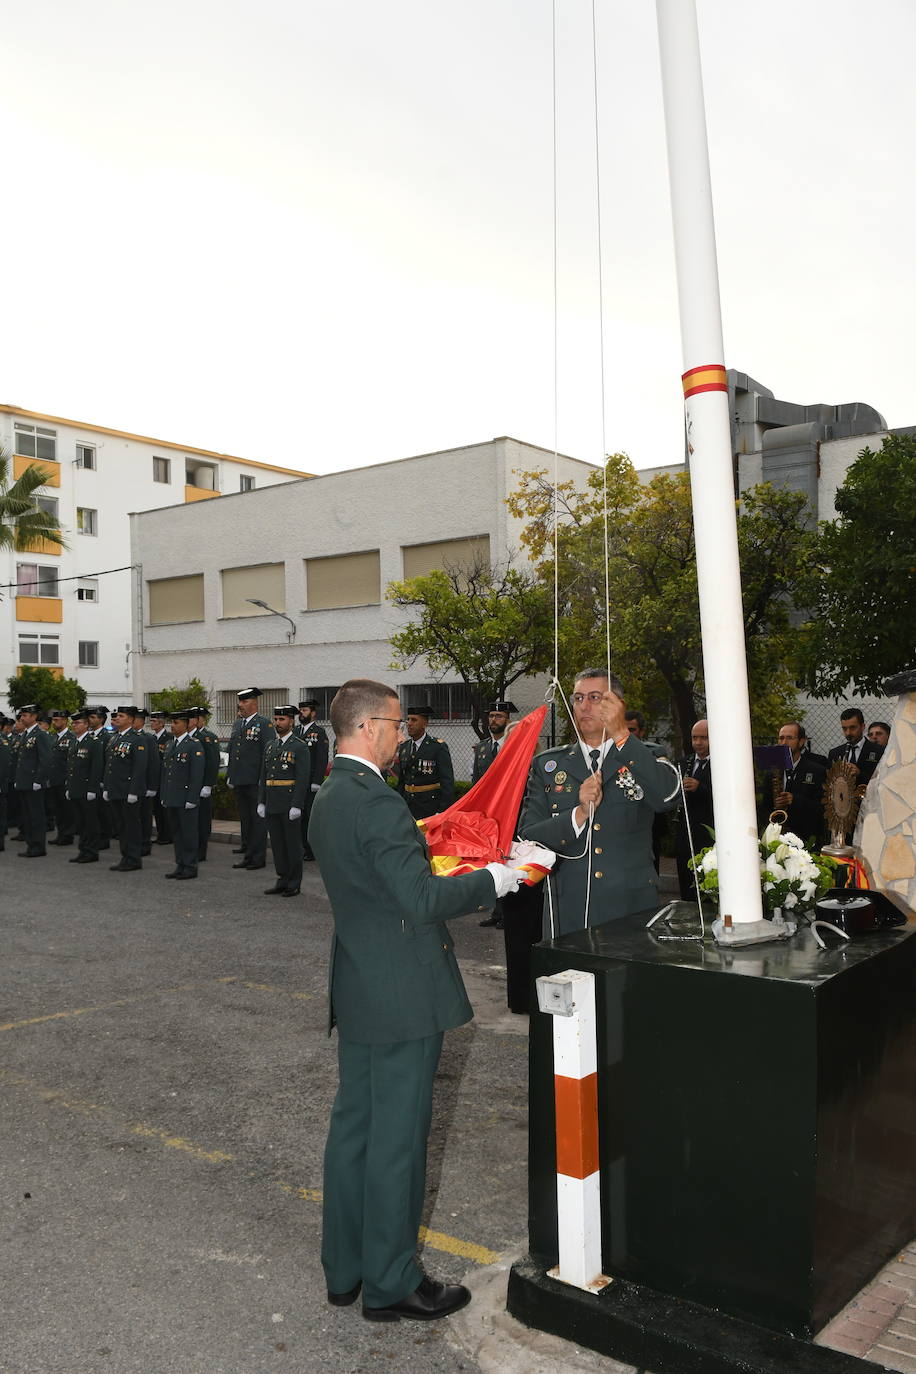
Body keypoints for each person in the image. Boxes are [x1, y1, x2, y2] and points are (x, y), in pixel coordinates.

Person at [308, 679, 522, 1322]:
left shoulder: (331, 794)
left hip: (364, 984)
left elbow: (384, 881)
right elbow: (420, 900)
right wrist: (498, 878)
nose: (403, 735)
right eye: (397, 725)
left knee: (356, 1133)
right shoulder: (374, 800)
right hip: (402, 990)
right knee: (397, 1141)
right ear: (368, 725)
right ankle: (393, 1283)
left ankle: (345, 1269)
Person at [519, 669, 677, 936]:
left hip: (630, 906)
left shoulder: (643, 755)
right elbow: (528, 836)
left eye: (595, 697)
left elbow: (666, 798)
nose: (584, 706)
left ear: (616, 705)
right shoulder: (549, 765)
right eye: (578, 698)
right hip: (569, 908)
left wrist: (622, 736)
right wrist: (578, 815)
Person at [472, 700, 518, 928]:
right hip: (487, 817)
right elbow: (475, 784)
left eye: (499, 716)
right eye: (491, 716)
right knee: (491, 862)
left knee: (508, 861)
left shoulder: (515, 747)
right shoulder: (481, 749)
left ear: (507, 720)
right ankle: (496, 911)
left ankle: (509, 912)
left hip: (509, 814)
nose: (494, 720)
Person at [258, 705, 310, 897]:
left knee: (292, 844)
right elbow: (264, 775)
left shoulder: (299, 746)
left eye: (282, 720)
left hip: (289, 804)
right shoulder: (271, 745)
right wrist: (261, 801)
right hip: (272, 802)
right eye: (276, 720)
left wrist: (297, 804)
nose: (278, 723)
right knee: (278, 844)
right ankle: (282, 878)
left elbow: (302, 778)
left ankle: (294, 882)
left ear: (291, 721)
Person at [228, 687, 273, 871]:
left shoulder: (264, 724)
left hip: (255, 781)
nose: (241, 705)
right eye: (240, 701)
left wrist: (264, 779)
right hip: (240, 779)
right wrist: (231, 774)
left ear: (254, 703)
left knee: (257, 820)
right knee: (246, 819)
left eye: (245, 701)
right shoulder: (238, 724)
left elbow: (267, 753)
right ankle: (248, 854)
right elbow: (233, 751)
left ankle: (258, 857)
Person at [160, 709, 205, 880]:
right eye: (172, 722)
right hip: (172, 797)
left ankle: (190, 866)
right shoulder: (171, 744)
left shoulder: (194, 745)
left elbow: (196, 774)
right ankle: (180, 864)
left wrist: (192, 798)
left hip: (186, 798)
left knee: (188, 834)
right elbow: (166, 773)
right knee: (177, 834)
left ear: (186, 725)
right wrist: (164, 795)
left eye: (176, 722)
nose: (173, 725)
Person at [102, 706, 149, 872]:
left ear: (130, 719)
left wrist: (134, 791)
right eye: (117, 716)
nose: (117, 718)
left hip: (129, 790)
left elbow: (139, 767)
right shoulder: (114, 739)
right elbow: (109, 766)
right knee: (121, 826)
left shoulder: (137, 739)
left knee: (131, 826)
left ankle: (134, 858)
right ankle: (125, 856)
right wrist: (106, 786)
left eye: (121, 716)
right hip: (115, 789)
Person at [395, 705, 455, 821]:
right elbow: (401, 781)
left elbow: (447, 782)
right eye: (408, 719)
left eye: (414, 720)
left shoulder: (437, 747)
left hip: (429, 807)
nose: (409, 723)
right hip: (408, 806)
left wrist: (442, 811)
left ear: (424, 723)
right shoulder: (404, 747)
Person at [676, 720, 714, 899]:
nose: (698, 743)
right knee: (686, 883)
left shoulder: (723, 765)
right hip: (686, 832)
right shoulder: (685, 762)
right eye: (694, 738)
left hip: (708, 833)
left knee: (706, 885)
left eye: (703, 738)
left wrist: (700, 788)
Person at [772, 722, 826, 844]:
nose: (784, 742)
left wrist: (794, 800)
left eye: (789, 738)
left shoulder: (817, 771)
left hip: (806, 839)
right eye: (781, 738)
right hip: (777, 838)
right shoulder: (772, 771)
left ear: (801, 742)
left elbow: (822, 809)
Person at [13, 703, 53, 858]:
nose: (22, 718)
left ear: (34, 716)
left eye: (25, 715)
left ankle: (38, 846)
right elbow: (22, 760)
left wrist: (39, 779)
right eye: (21, 715)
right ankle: (31, 845)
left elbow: (46, 759)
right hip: (25, 782)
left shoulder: (40, 734)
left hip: (34, 783)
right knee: (28, 816)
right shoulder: (25, 734)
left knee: (36, 816)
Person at [66, 711, 104, 863]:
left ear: (87, 725)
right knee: (80, 823)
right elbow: (71, 768)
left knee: (90, 823)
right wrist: (69, 787)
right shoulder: (74, 741)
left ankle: (91, 851)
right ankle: (83, 850)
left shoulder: (93, 742)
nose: (75, 726)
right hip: (76, 789)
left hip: (87, 789)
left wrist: (92, 789)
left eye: (78, 723)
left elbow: (97, 767)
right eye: (73, 723)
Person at [294, 699, 329, 861]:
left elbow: (322, 758)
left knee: (309, 816)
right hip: (295, 782)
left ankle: (311, 849)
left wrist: (317, 780)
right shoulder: (295, 731)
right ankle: (300, 846)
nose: (301, 713)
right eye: (300, 710)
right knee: (298, 816)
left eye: (305, 710)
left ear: (313, 713)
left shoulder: (319, 732)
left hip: (310, 782)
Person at [188, 705, 220, 861]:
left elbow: (212, 762)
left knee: (202, 819)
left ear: (199, 720)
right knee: (191, 820)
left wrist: (208, 784)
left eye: (191, 718)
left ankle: (201, 850)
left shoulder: (207, 737)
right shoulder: (187, 737)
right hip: (189, 785)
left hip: (202, 785)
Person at [827, 708, 884, 787]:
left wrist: (859, 773)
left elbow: (883, 781)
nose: (848, 733)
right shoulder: (834, 753)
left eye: (852, 728)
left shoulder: (879, 751)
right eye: (844, 728)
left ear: (863, 727)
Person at [47, 709, 76, 846]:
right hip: (54, 779)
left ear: (65, 721)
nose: (54, 722)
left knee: (66, 809)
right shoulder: (53, 737)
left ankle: (68, 835)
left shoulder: (71, 737)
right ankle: (61, 833)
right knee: (57, 809)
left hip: (64, 779)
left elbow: (71, 761)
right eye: (53, 720)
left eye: (57, 720)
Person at [148, 710, 173, 845]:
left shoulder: (168, 737)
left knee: (165, 809)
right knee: (156, 808)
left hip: (164, 778)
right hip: (154, 778)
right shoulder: (151, 738)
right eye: (151, 721)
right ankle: (160, 834)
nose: (152, 724)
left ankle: (167, 835)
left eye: (154, 721)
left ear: (162, 723)